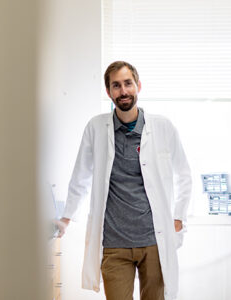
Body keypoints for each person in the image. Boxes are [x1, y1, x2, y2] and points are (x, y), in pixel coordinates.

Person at [57, 61, 192, 300]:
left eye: (128, 83)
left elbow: (184, 174)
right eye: (116, 86)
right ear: (108, 92)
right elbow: (80, 176)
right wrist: (66, 218)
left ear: (138, 86)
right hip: (114, 243)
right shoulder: (96, 127)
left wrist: (179, 216)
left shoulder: (162, 127)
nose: (123, 91)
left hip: (154, 241)